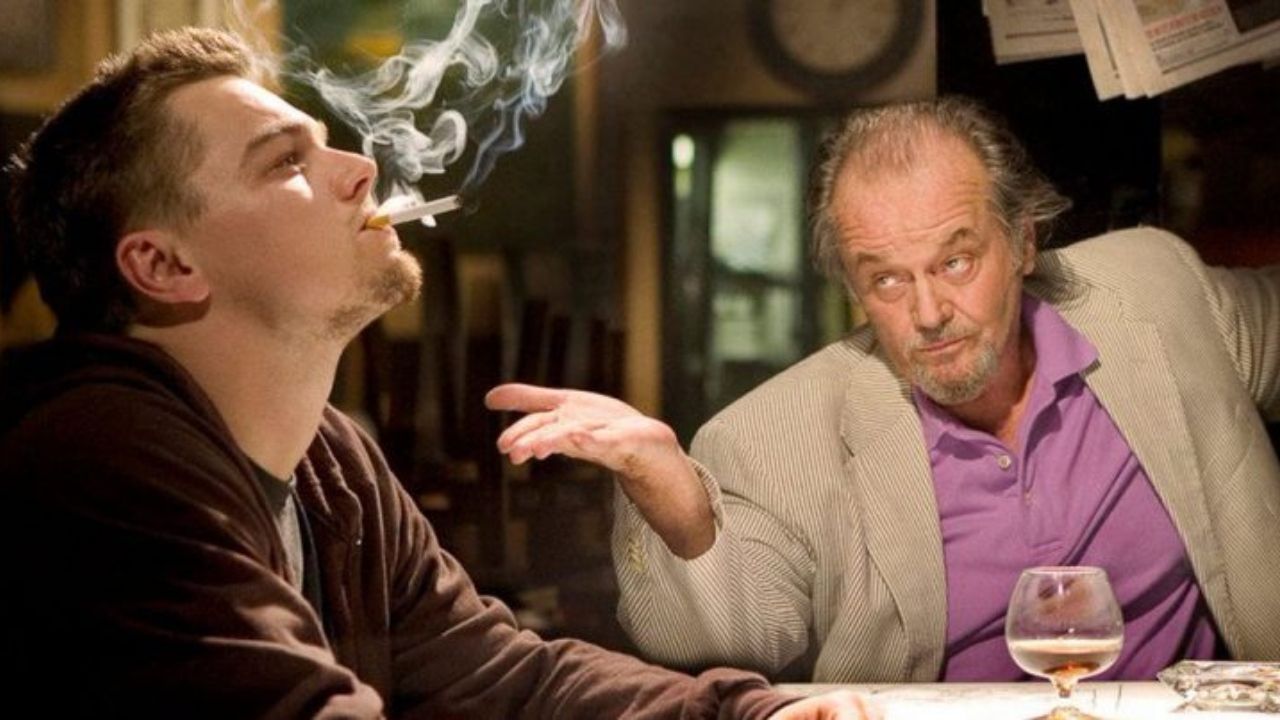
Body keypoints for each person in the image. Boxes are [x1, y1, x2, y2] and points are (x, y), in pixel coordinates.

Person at [0, 27, 879, 719]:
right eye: (285, 161)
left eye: (325, 143)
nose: (360, 170)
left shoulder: (332, 462)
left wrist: (748, 712)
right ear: (164, 265)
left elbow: (502, 679)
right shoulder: (95, 456)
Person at [485, 96, 1280, 683]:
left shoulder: (1156, 293)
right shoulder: (776, 434)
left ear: (1022, 241)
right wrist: (675, 498)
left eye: (956, 262)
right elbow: (724, 647)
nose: (928, 313)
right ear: (852, 288)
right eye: (887, 280)